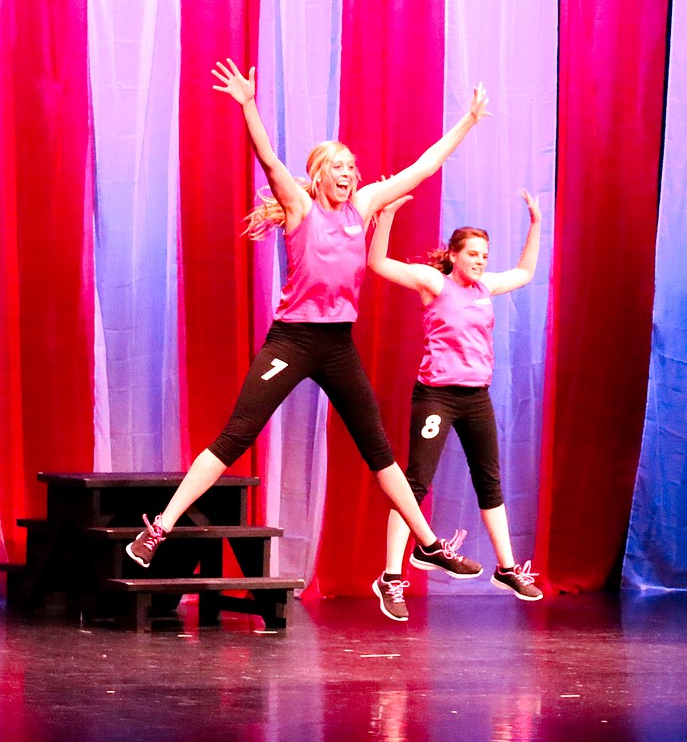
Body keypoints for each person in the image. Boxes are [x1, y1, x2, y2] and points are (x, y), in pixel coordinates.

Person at [125, 59, 490, 581]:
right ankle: (158, 528)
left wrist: (468, 122)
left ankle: (427, 545)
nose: (348, 175)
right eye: (338, 168)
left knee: (379, 451)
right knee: (235, 435)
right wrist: (249, 104)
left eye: (352, 168)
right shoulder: (299, 208)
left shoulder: (362, 207)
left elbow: (424, 166)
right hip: (292, 342)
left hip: (337, 345)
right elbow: (269, 160)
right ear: (319, 176)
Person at [368, 190, 544, 622]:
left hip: (476, 398)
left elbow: (524, 271)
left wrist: (536, 224)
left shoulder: (486, 288)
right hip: (437, 396)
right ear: (454, 255)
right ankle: (390, 577)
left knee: (491, 483)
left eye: (485, 254)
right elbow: (378, 265)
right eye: (473, 254)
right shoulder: (435, 283)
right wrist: (387, 214)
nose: (481, 261)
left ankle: (507, 569)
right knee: (414, 485)